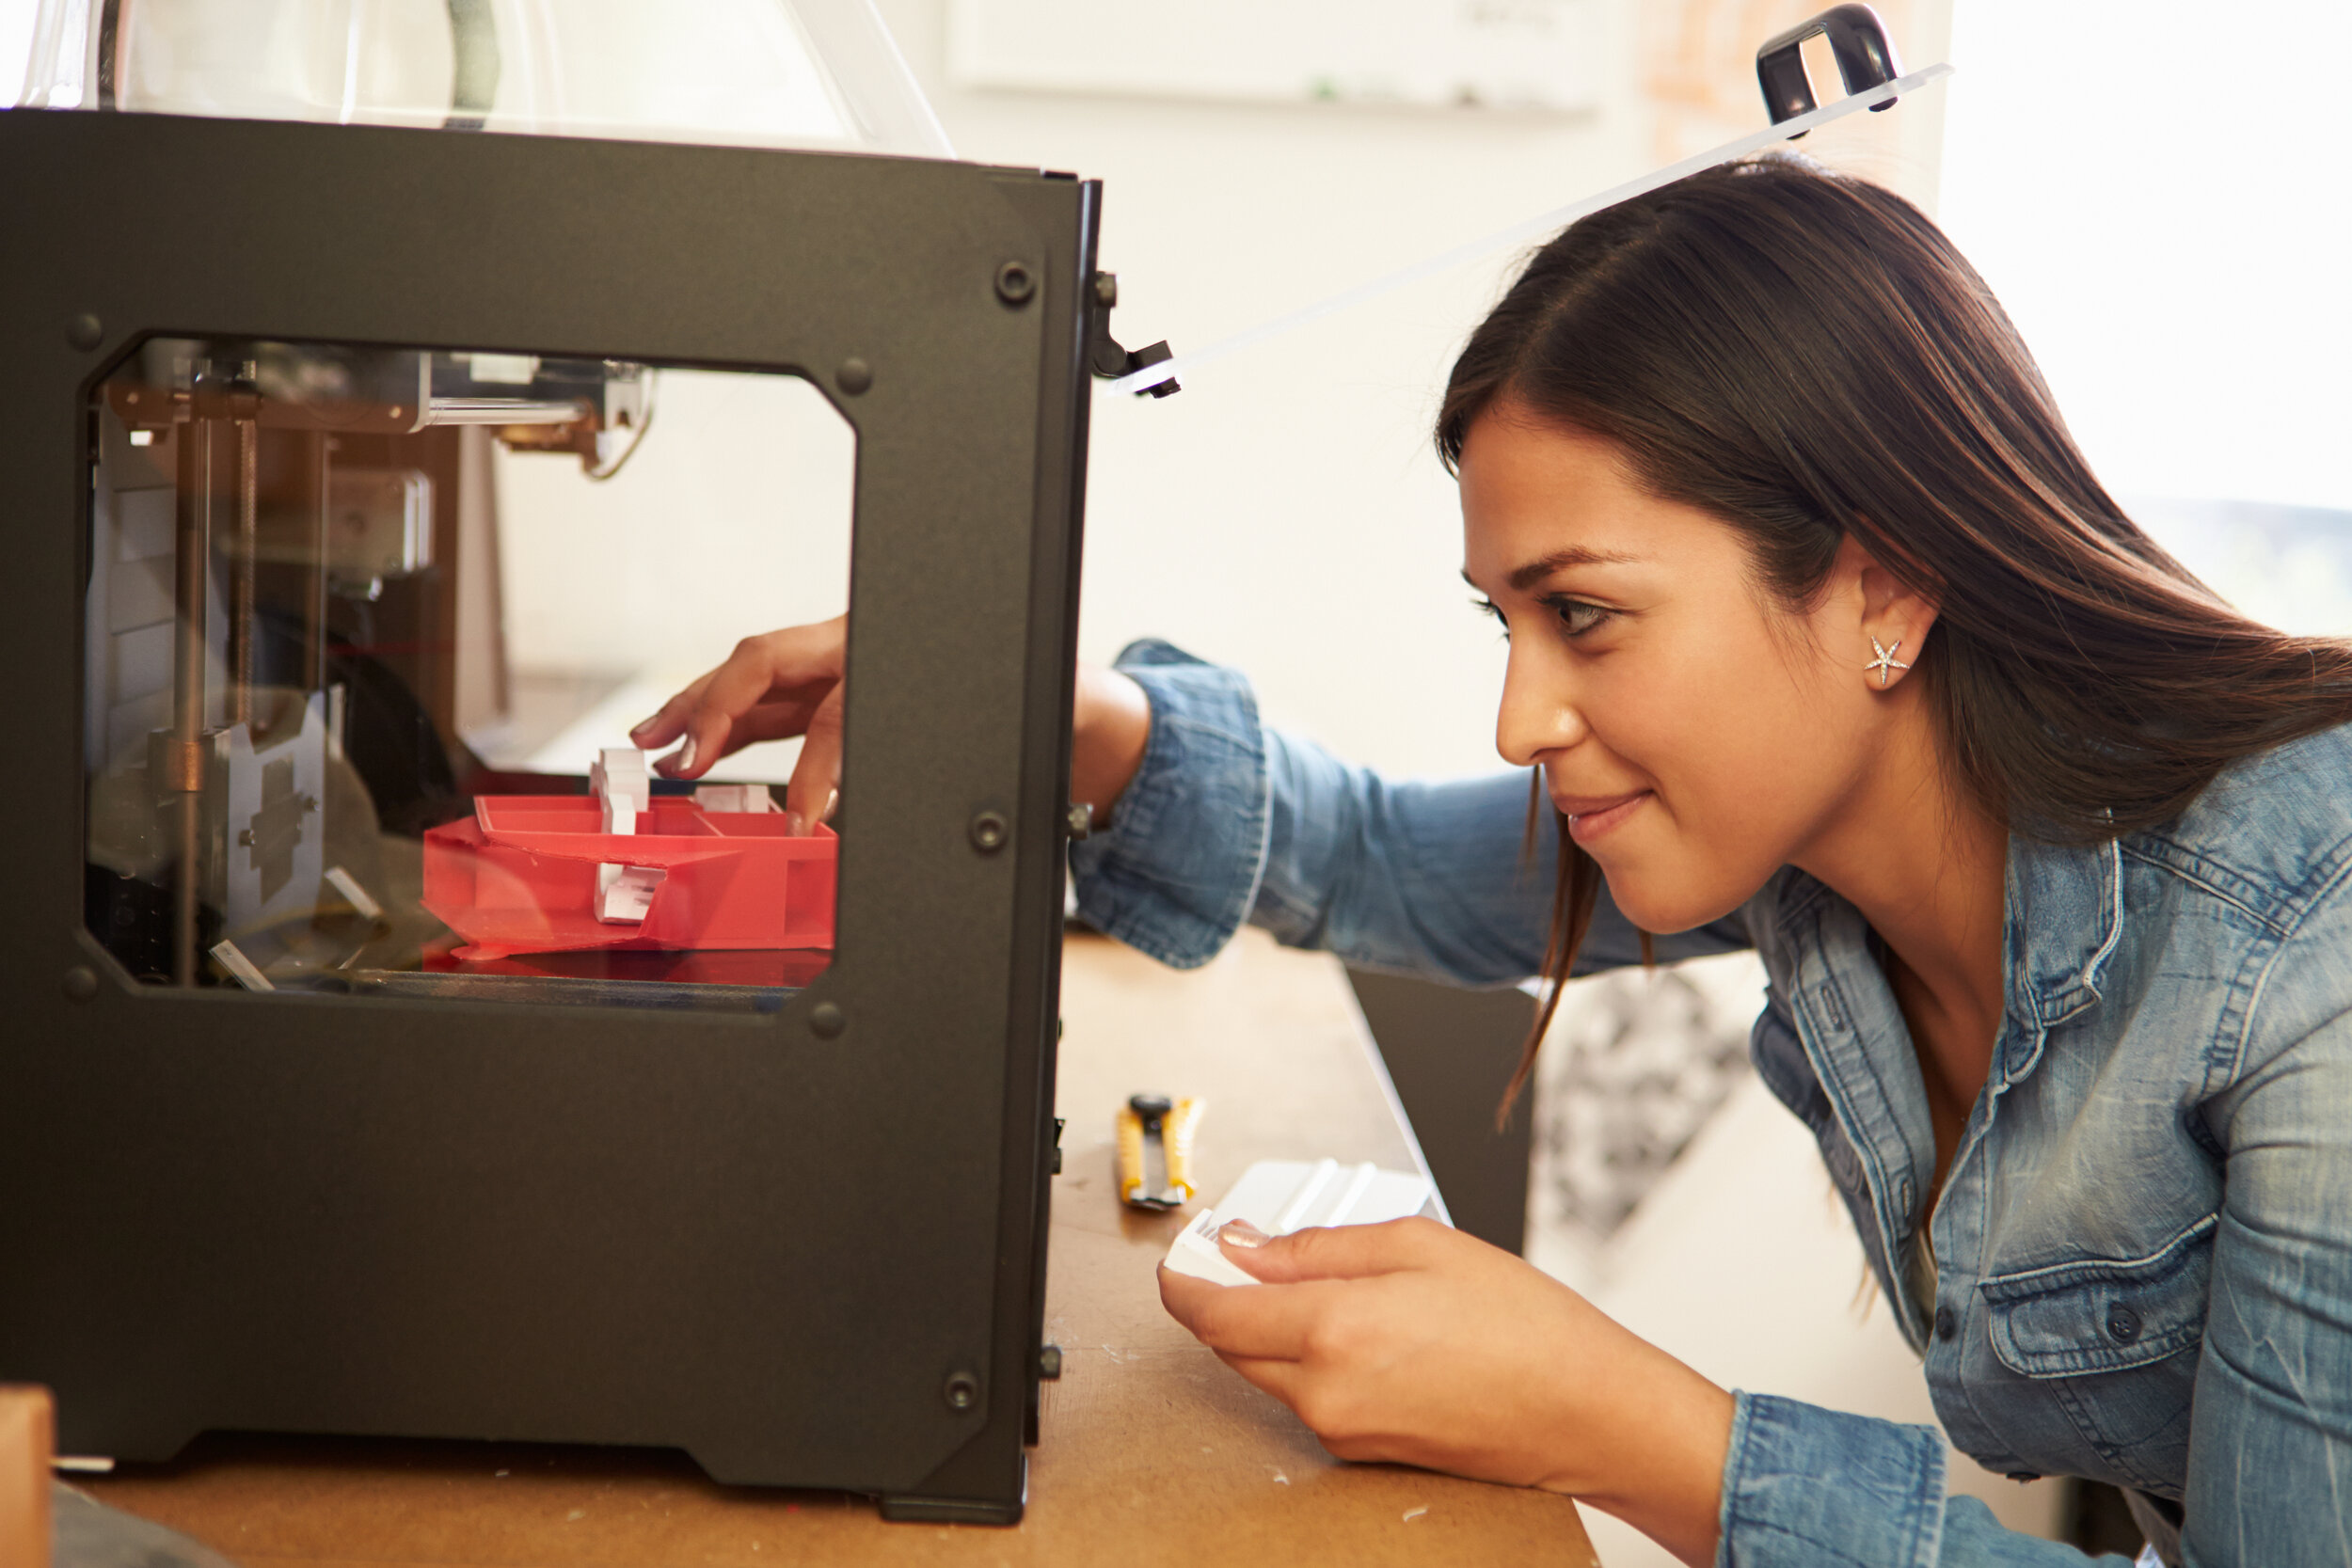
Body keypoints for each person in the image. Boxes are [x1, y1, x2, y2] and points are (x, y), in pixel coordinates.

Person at [628, 156, 2352, 1566]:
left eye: (1586, 616)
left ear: (1884, 587)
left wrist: (1637, 1433)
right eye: (1507, 621)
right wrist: (1048, 709)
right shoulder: (1804, 847)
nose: (1522, 716)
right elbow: (1380, 860)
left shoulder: (2312, 946)